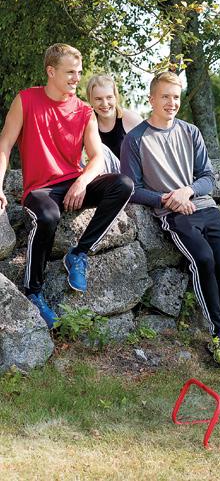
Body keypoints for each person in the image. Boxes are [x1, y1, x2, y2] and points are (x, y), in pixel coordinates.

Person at [120, 71, 220, 379]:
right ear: (151, 99)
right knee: (203, 260)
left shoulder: (191, 132)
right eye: (165, 97)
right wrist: (167, 200)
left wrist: (188, 190)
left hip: (205, 209)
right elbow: (132, 188)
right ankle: (219, 336)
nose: (171, 102)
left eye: (175, 96)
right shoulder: (135, 140)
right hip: (174, 216)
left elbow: (207, 178)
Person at [0, 44, 134, 329]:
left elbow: (97, 157)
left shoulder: (85, 111)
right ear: (51, 71)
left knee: (123, 184)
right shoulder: (26, 100)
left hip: (74, 183)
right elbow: (5, 145)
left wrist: (82, 182)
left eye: (79, 72)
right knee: (49, 216)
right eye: (70, 72)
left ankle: (79, 253)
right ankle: (33, 292)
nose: (76, 78)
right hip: (41, 191)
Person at [86, 74, 142, 173]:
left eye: (109, 97)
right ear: (90, 100)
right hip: (105, 179)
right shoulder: (88, 122)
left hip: (130, 177)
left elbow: (149, 155)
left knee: (101, 150)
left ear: (116, 97)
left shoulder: (131, 120)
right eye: (98, 99)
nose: (104, 104)